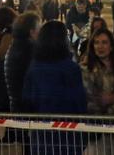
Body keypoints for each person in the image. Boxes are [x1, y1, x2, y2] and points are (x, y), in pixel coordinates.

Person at [22, 21, 87, 155]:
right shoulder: (71, 68)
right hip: (69, 132)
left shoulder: (34, 68)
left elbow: (27, 99)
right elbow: (79, 101)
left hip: (41, 132)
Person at [81, 28, 114, 115]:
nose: (100, 46)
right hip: (94, 120)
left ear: (111, 46)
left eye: (104, 42)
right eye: (96, 43)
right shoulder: (85, 69)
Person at [5, 11, 39, 112]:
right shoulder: (29, 49)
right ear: (31, 31)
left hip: (16, 104)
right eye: (39, 28)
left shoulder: (15, 46)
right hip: (27, 106)